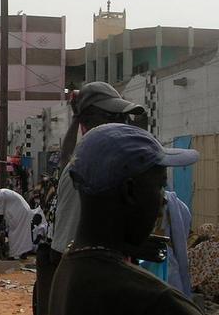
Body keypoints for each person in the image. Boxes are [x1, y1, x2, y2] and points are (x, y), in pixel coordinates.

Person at [48, 123, 201, 315]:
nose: (163, 200)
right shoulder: (157, 302)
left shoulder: (69, 268)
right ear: (129, 191)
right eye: (160, 186)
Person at [41, 82, 146, 315]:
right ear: (93, 122)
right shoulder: (95, 168)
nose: (122, 123)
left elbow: (66, 156)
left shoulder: (89, 162)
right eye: (114, 116)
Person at [0, 185, 35, 259]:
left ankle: (13, 255)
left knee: (13, 234)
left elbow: (0, 216)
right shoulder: (3, 191)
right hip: (25, 210)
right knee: (23, 234)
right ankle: (23, 253)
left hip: (20, 212)